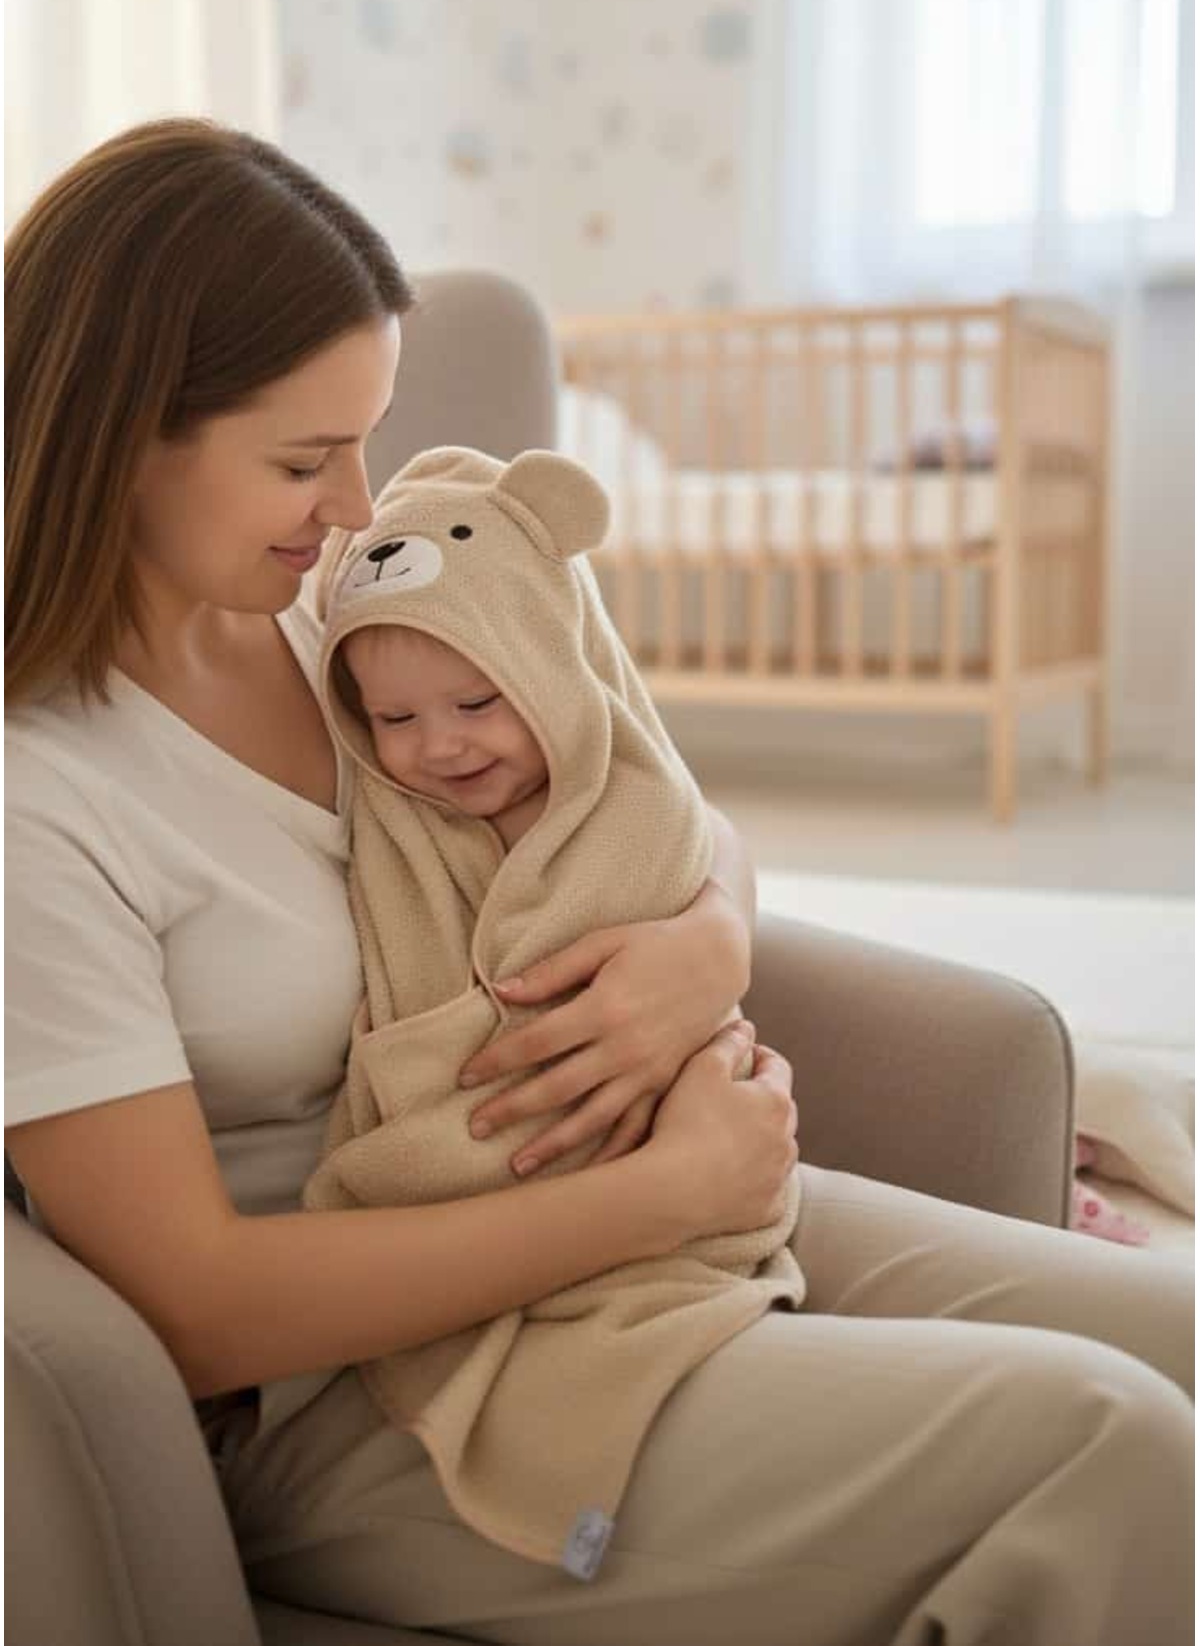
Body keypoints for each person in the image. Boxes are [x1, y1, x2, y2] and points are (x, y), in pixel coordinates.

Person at [4, 117, 1192, 1646]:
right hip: (378, 1387)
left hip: (653, 1217)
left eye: (366, 440)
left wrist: (705, 946)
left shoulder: (343, 621)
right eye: (303, 459)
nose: (356, 505)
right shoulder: (42, 797)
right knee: (1109, 1448)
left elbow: (661, 812)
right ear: (116, 436)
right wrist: (657, 1193)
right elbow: (197, 1303)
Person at [304, 444, 805, 1572]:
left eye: (480, 702)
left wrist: (713, 936)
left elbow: (692, 837)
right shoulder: (398, 813)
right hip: (491, 1208)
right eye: (394, 721)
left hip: (708, 1158)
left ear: (551, 667)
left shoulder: (615, 793)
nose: (437, 746)